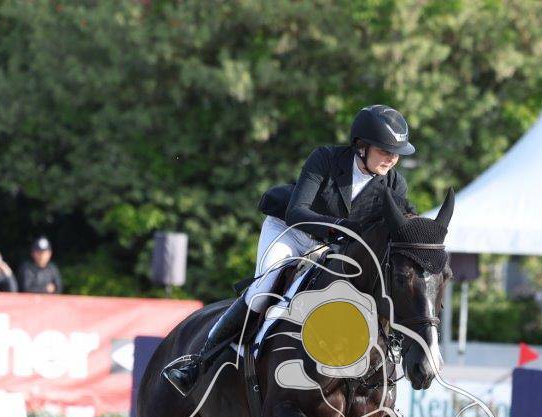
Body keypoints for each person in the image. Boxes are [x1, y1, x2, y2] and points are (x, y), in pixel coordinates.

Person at [163, 104, 417, 395]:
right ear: (361, 146)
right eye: (385, 151)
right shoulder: (325, 159)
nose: (392, 158)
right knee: (264, 292)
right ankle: (199, 363)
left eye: (397, 153)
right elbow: (297, 212)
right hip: (290, 232)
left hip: (331, 247)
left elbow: (404, 224)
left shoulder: (395, 184)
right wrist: (343, 227)